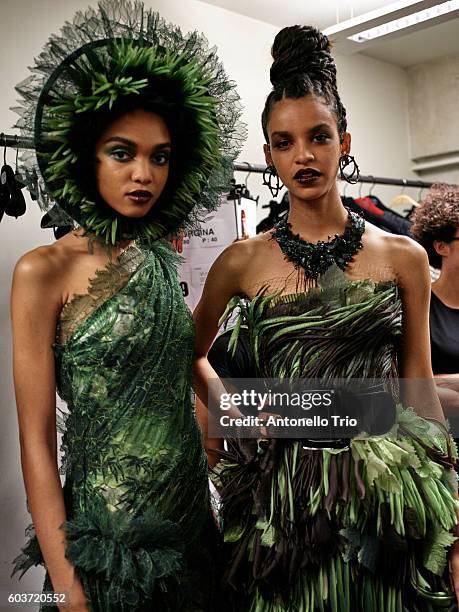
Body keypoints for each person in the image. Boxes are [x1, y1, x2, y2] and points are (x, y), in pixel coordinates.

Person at [194, 25, 459, 611]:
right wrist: (231, 417)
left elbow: (418, 388)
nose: (304, 156)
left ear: (344, 139)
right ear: (267, 155)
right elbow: (191, 353)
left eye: (318, 137)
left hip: (384, 492)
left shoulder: (404, 257)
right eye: (284, 143)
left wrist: (453, 515)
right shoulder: (240, 261)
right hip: (282, 499)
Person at [10, 2, 242, 610]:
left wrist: (232, 425)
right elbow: (34, 441)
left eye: (160, 156)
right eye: (122, 152)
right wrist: (68, 590)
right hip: (111, 536)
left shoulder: (161, 256)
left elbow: (180, 366)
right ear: (87, 155)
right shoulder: (42, 272)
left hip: (193, 518)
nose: (144, 174)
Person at [411, 185, 459, 419]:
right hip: (442, 443)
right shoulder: (419, 306)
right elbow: (413, 387)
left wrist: (445, 381)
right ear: (441, 246)